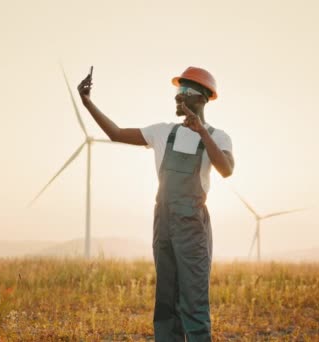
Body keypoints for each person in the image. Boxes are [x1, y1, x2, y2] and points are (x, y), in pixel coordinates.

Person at [77, 66, 234, 341]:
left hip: (192, 227)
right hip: (163, 224)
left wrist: (202, 133)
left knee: (194, 301)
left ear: (203, 98)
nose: (177, 97)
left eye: (184, 91)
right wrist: (87, 103)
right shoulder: (162, 132)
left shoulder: (218, 137)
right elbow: (115, 133)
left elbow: (227, 169)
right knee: (165, 303)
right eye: (176, 91)